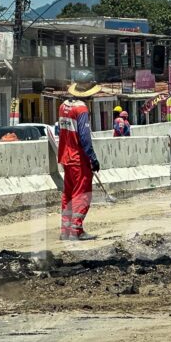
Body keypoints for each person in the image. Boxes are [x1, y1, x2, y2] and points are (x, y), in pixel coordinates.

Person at [57, 76, 102, 241]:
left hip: (65, 157)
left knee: (68, 194)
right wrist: (93, 158)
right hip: (78, 159)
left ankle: (65, 230)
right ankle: (76, 231)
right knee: (82, 194)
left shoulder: (63, 106)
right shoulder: (81, 109)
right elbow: (84, 137)